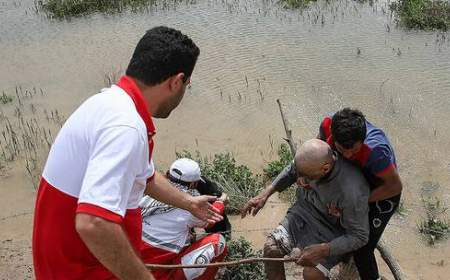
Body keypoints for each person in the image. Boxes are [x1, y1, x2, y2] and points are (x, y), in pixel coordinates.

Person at [32, 26, 222, 280]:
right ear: (176, 82)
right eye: (187, 84)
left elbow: (146, 178)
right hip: (84, 270)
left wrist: (188, 203)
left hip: (75, 262)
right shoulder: (125, 127)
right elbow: (93, 223)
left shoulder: (109, 104)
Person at [242, 139, 370, 280]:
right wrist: (265, 194)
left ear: (325, 168)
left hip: (332, 231)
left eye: (306, 176)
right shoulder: (308, 163)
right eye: (299, 174)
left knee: (311, 274)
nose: (299, 180)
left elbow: (360, 236)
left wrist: (323, 250)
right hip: (303, 212)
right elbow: (291, 170)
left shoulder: (352, 190)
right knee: (272, 249)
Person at [318, 108, 402, 280]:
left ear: (362, 141)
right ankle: (347, 270)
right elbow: (318, 155)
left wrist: (359, 202)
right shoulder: (328, 126)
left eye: (354, 151)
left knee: (363, 249)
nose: (348, 155)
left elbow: (395, 186)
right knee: (341, 230)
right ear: (334, 137)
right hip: (357, 187)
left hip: (382, 194)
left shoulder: (376, 152)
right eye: (342, 150)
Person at [140, 158, 228, 280]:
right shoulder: (191, 207)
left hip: (132, 266)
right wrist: (221, 202)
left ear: (167, 174)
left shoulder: (146, 193)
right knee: (218, 242)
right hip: (158, 274)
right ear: (193, 184)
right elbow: (209, 221)